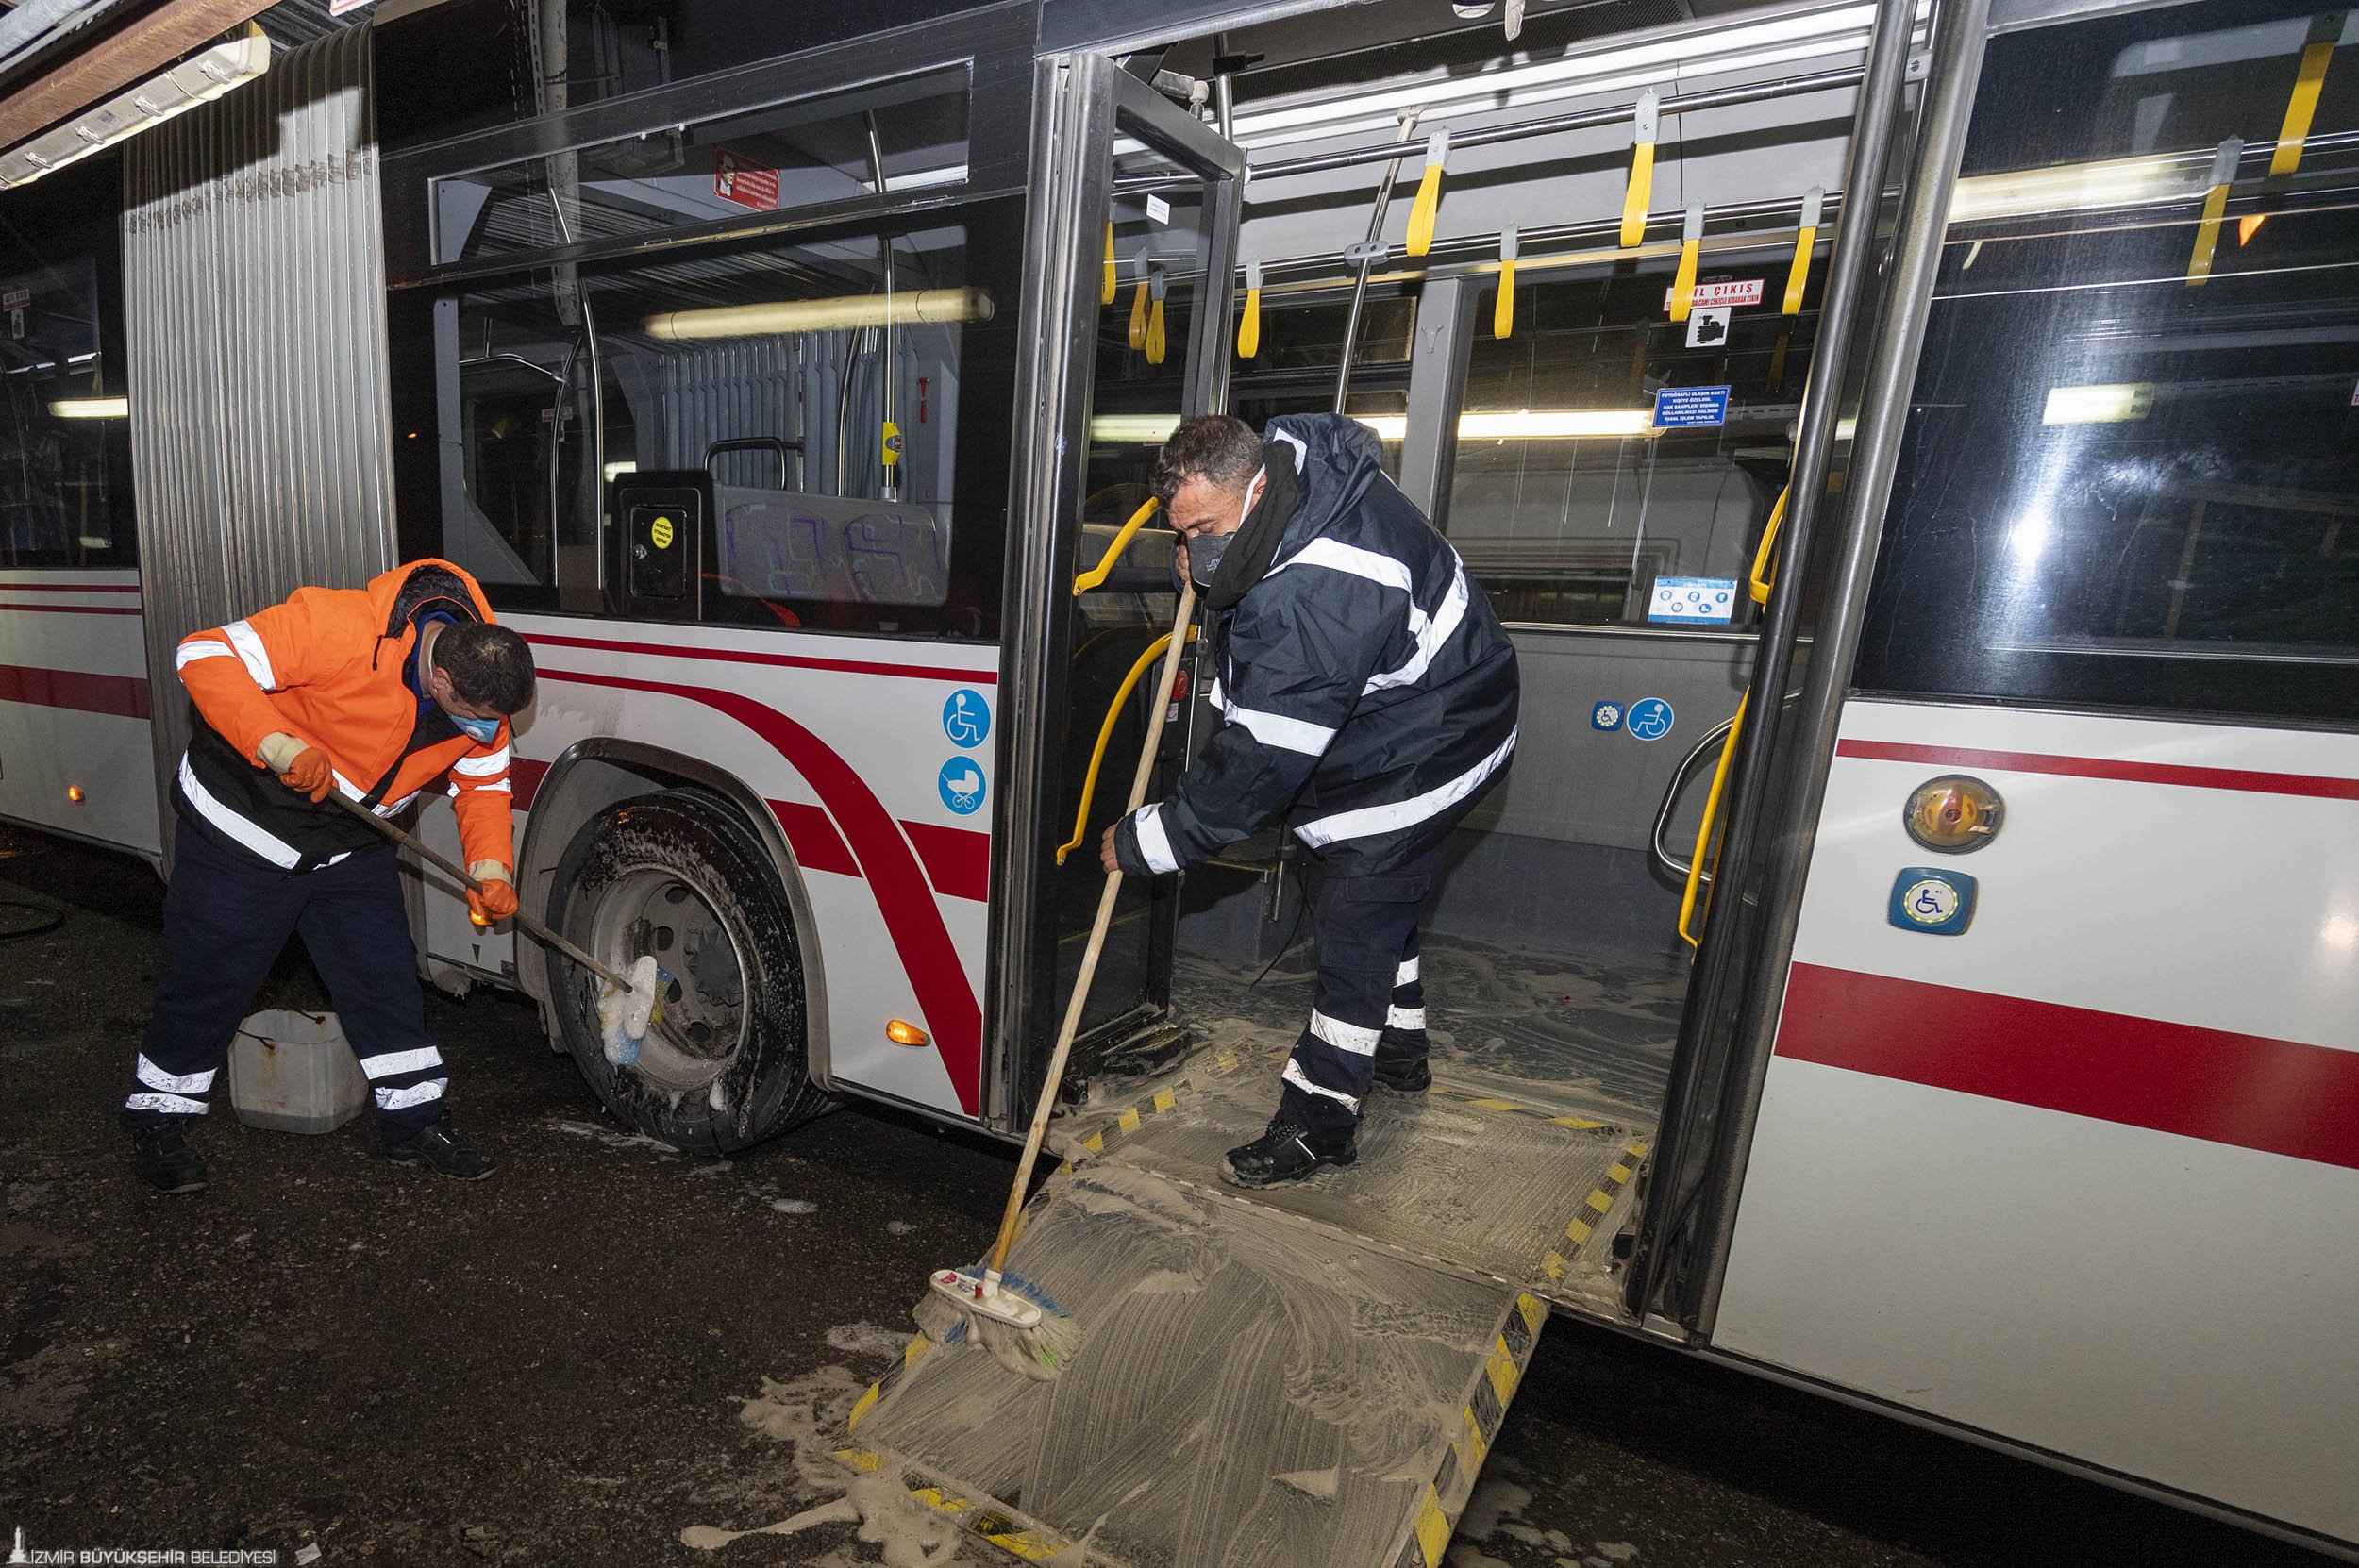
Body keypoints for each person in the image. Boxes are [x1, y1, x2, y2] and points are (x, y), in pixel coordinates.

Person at [1101, 413, 1519, 1188]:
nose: (1194, 549)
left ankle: (1320, 1124)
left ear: (1257, 488)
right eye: (1181, 535)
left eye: (1206, 529)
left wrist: (1156, 838)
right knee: (1375, 901)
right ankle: (1401, 1053)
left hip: (1430, 742)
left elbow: (1264, 754)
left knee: (1356, 911)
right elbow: (1263, 611)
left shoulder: (1319, 586)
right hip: (1427, 705)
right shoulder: (1304, 486)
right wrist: (1211, 563)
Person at [124, 559, 535, 1193]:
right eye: (475, 717)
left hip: (349, 848)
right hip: (244, 834)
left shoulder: (483, 689)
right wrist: (277, 743)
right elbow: (203, 653)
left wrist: (490, 868)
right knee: (208, 982)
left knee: (385, 984)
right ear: (441, 678)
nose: (485, 732)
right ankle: (159, 1121)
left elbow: (482, 784)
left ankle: (415, 1123)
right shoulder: (341, 627)